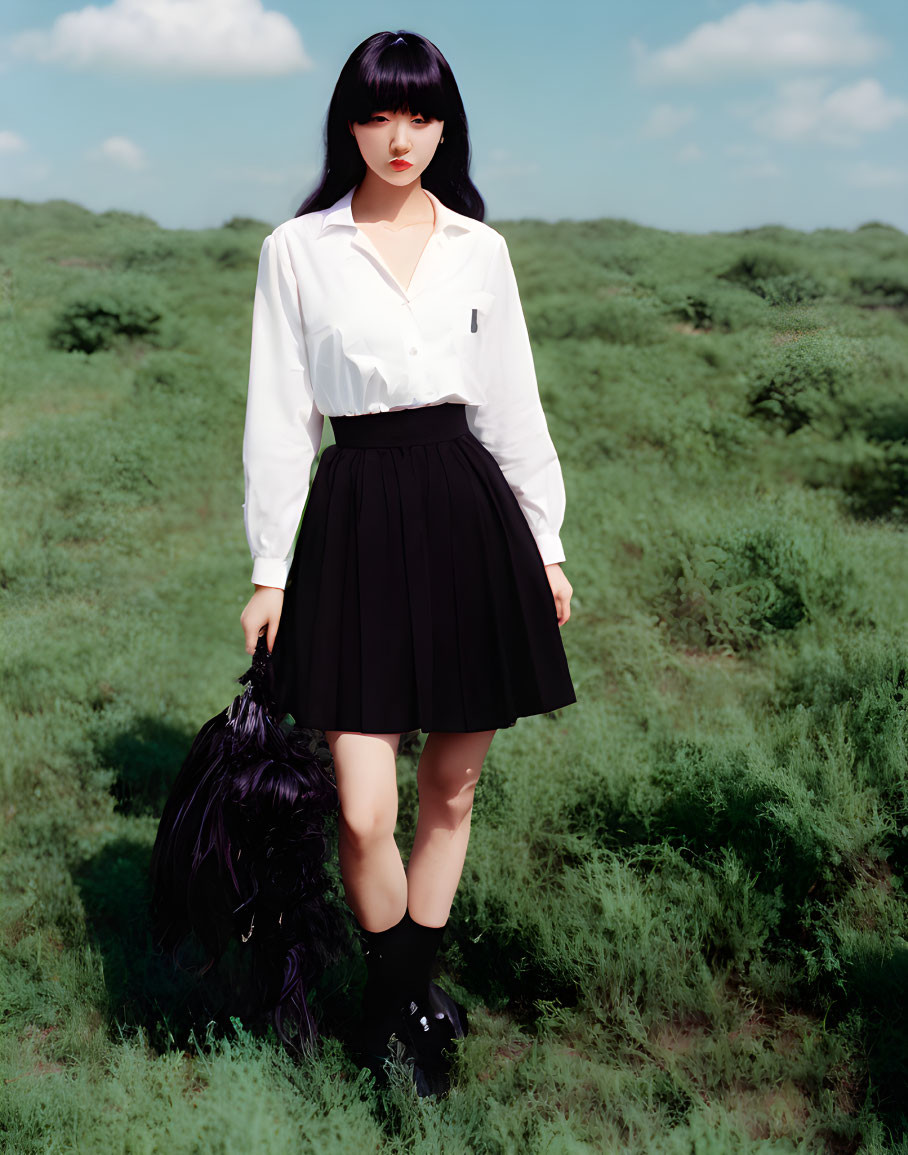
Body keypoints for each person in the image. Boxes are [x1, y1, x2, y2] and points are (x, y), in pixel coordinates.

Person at [238, 29, 576, 1094]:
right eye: (380, 114)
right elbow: (279, 419)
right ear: (348, 122)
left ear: (444, 126)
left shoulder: (480, 247)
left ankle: (401, 1019)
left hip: (469, 512)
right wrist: (269, 567)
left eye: (421, 116)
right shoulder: (298, 247)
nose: (401, 137)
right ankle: (405, 997)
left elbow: (511, 405)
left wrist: (547, 546)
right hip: (354, 512)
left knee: (453, 785)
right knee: (360, 806)